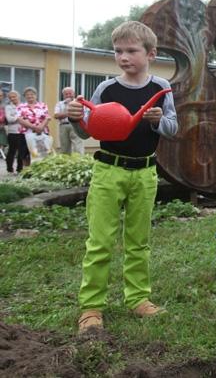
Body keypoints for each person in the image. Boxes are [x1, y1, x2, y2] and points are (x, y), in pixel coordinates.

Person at [67, 21, 178, 333]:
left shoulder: (160, 90)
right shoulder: (106, 89)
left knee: (138, 242)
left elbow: (173, 127)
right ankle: (91, 307)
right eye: (118, 51)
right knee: (100, 241)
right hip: (108, 170)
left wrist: (158, 121)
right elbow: (90, 128)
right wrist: (77, 121)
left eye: (131, 50)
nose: (123, 57)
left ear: (150, 54)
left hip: (145, 172)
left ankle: (138, 298)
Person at [54, 86, 84, 155]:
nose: (68, 95)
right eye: (66, 94)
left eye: (70, 93)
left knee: (78, 146)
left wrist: (65, 114)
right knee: (64, 147)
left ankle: (79, 161)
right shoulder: (59, 104)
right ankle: (66, 163)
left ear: (73, 94)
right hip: (63, 126)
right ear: (63, 95)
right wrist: (69, 112)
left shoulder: (78, 103)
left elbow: (82, 113)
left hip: (76, 125)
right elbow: (56, 116)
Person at [4, 91, 27, 174]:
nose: (13, 98)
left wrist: (16, 117)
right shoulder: (8, 107)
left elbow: (28, 117)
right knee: (12, 151)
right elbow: (9, 119)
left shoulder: (24, 106)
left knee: (22, 151)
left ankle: (19, 169)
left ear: (18, 96)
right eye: (10, 97)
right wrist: (21, 117)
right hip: (12, 132)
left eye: (14, 96)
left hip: (23, 131)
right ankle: (9, 168)